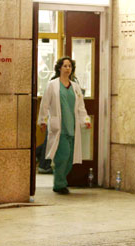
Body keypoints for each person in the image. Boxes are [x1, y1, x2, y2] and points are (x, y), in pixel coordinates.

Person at [37, 56, 91, 194]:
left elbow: (80, 107)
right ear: (59, 68)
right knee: (63, 156)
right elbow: (45, 103)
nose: (68, 68)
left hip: (72, 127)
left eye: (70, 66)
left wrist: (85, 120)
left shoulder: (75, 87)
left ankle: (61, 180)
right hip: (59, 128)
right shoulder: (52, 85)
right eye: (65, 66)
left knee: (70, 158)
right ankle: (59, 184)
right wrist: (42, 120)